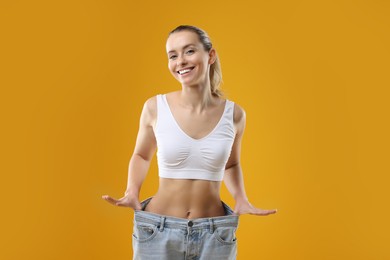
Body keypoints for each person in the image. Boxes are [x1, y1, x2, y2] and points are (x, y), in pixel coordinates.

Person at [102, 25, 277, 260]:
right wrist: (132, 190)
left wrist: (240, 198)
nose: (180, 61)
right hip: (157, 231)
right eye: (173, 56)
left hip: (215, 234)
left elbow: (231, 165)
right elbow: (142, 155)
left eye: (189, 51)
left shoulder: (234, 114)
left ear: (210, 55)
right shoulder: (155, 107)